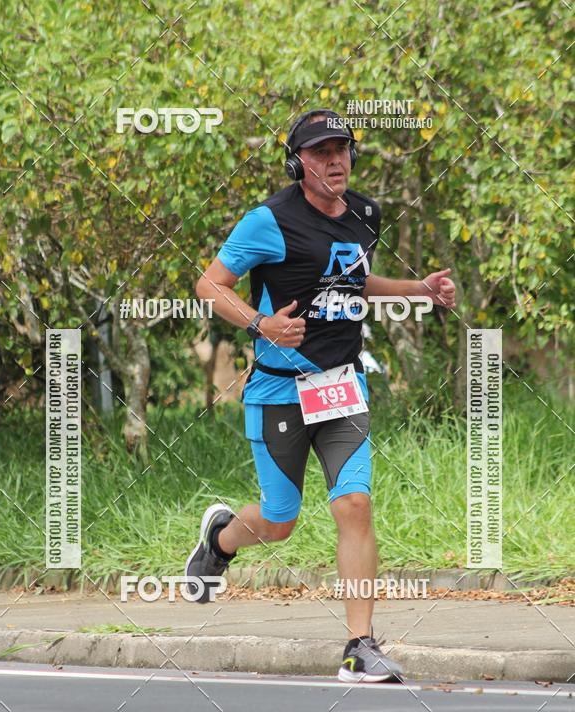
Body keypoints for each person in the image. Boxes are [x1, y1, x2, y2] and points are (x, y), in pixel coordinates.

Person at [186, 108, 456, 682]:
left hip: (341, 385)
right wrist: (261, 324)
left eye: (342, 149)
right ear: (297, 162)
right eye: (320, 152)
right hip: (279, 391)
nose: (335, 160)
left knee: (354, 504)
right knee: (281, 520)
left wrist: (419, 289)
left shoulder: (365, 213)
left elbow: (354, 280)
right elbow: (209, 285)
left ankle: (360, 646)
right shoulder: (269, 221)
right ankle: (221, 539)